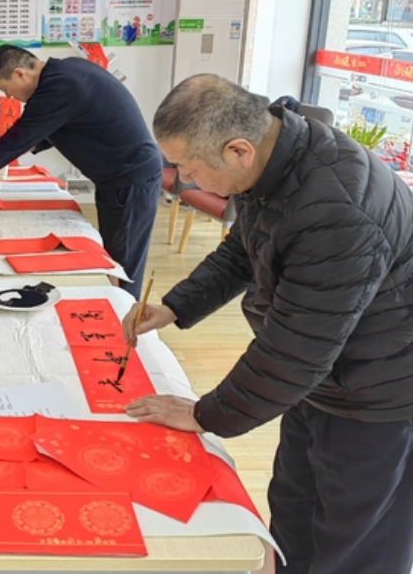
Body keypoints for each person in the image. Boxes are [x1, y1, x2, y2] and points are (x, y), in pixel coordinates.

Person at [123, 74, 413, 574]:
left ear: (238, 150)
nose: (184, 180)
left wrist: (205, 415)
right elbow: (245, 248)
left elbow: (294, 351)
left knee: (357, 541)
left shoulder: (336, 208)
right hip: (325, 378)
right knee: (295, 511)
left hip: (380, 390)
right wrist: (174, 306)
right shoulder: (277, 157)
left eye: (189, 168)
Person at [0, 44, 162, 299]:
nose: (9, 97)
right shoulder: (67, 71)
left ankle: (126, 317)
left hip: (131, 177)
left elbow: (15, 140)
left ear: (20, 74)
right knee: (114, 256)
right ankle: (118, 310)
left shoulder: (58, 88)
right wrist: (24, 145)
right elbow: (61, 125)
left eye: (6, 90)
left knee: (122, 267)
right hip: (122, 176)